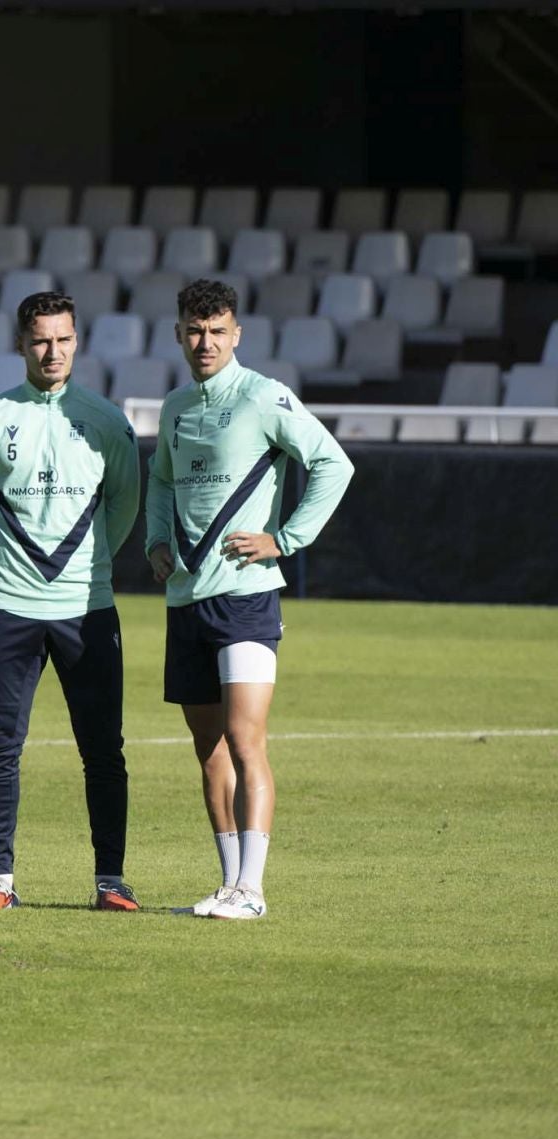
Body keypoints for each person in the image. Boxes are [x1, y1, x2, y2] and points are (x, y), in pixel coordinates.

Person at [146, 278, 355, 920]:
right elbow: (159, 478)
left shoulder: (265, 396)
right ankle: (229, 884)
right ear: (179, 332)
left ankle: (254, 892)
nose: (205, 341)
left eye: (217, 331)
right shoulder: (176, 406)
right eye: (194, 329)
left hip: (246, 600)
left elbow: (333, 464)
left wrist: (285, 539)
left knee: (244, 739)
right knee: (207, 748)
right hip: (186, 602)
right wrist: (156, 541)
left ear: (237, 334)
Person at [0, 291, 143, 912]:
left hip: (88, 607)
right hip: (8, 605)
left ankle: (111, 881)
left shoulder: (107, 421)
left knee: (102, 748)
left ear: (77, 342)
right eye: (40, 340)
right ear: (21, 345)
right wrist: (16, 574)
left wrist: (86, 573)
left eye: (63, 339)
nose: (52, 351)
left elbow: (123, 509)